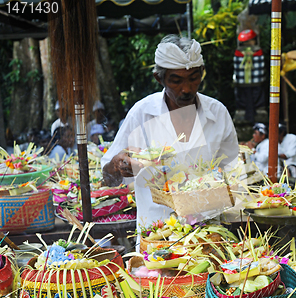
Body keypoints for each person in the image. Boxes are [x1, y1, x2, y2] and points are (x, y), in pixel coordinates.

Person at [101, 35, 239, 232]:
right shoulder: (142, 114)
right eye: (176, 81)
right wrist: (117, 165)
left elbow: (233, 173)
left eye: (194, 79)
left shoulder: (217, 113)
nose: (186, 89)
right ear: (159, 78)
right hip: (156, 235)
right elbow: (108, 178)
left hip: (208, 233)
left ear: (202, 73)